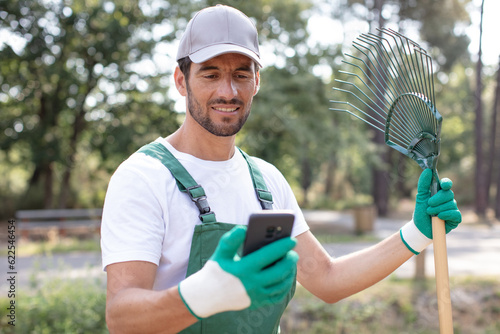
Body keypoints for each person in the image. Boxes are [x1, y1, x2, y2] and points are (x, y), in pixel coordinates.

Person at [101, 5, 462, 334]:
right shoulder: (144, 177)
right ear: (181, 81)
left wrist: (416, 234)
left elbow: (326, 279)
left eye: (241, 75)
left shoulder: (267, 182)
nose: (228, 91)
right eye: (210, 75)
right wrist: (200, 296)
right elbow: (120, 318)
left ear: (257, 82)